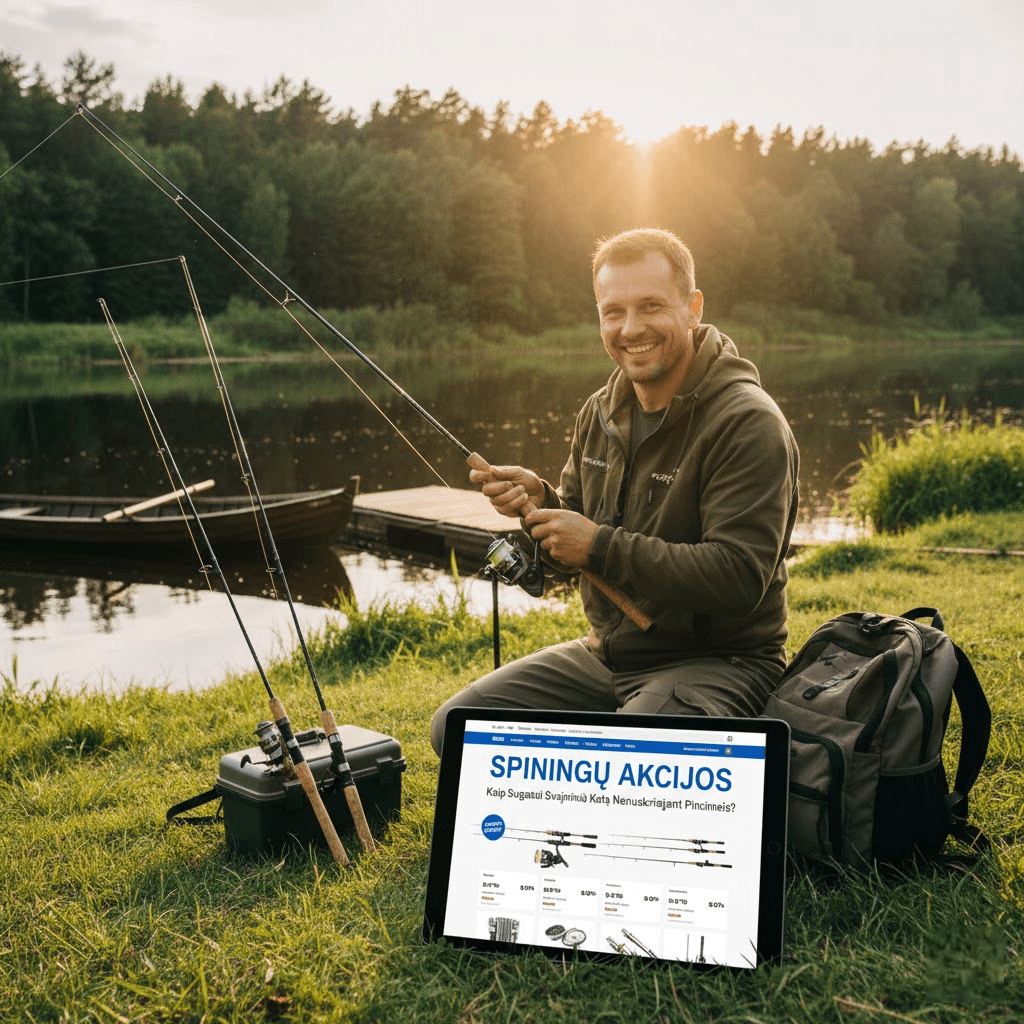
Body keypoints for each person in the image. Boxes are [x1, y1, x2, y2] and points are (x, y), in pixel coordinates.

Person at [430, 228, 799, 756]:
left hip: (721, 661)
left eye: (651, 306)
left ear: (692, 308)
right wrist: (543, 506)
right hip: (608, 656)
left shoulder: (748, 422)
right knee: (460, 730)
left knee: (631, 757)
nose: (630, 328)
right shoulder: (600, 411)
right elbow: (571, 557)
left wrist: (597, 544)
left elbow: (739, 577)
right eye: (613, 311)